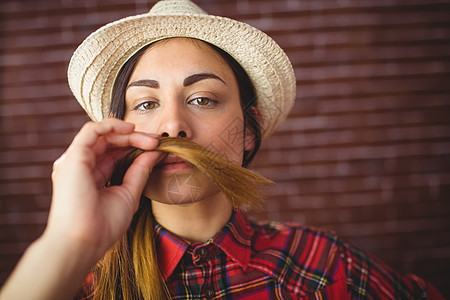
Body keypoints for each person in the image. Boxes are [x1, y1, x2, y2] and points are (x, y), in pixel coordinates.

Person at [0, 0, 444, 299]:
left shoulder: (324, 266)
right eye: (147, 103)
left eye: (202, 99)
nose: (173, 124)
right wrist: (69, 243)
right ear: (119, 135)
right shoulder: (72, 282)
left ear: (249, 132)